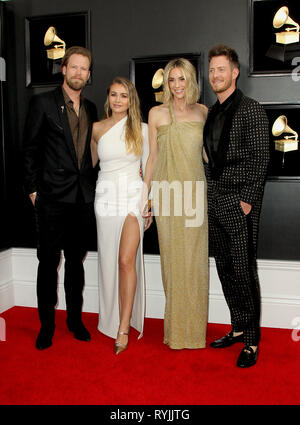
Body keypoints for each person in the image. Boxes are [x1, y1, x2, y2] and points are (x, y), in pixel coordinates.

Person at [23, 46, 98, 350]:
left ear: (89, 74)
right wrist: (32, 189)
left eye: (85, 69)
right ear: (64, 69)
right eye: (74, 67)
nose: (79, 73)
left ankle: (75, 320)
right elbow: (28, 150)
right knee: (48, 262)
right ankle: (47, 325)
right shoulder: (43, 104)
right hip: (51, 198)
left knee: (76, 265)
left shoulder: (92, 108)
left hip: (81, 200)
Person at [203, 44, 270, 367]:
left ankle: (253, 342)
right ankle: (240, 327)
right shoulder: (212, 112)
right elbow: (209, 159)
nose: (215, 75)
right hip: (214, 201)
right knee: (224, 269)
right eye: (212, 70)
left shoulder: (251, 109)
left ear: (234, 72)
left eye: (221, 69)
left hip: (238, 202)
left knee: (244, 272)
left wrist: (246, 201)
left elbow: (260, 159)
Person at [142, 58, 209, 349]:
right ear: (167, 83)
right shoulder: (156, 113)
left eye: (182, 79)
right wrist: (146, 197)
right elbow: (153, 157)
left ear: (191, 81)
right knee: (172, 264)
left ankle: (194, 333)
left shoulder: (203, 111)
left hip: (195, 195)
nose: (177, 85)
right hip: (167, 195)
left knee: (194, 264)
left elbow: (208, 155)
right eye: (172, 80)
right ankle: (176, 332)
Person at [91, 77, 151, 354]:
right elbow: (87, 165)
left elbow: (149, 169)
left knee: (126, 260)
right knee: (109, 262)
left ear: (131, 100)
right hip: (105, 199)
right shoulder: (97, 129)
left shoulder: (142, 129)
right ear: (108, 98)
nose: (118, 100)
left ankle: (123, 327)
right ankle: (111, 317)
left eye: (124, 96)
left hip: (132, 197)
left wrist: (149, 203)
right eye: (114, 95)